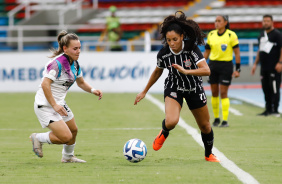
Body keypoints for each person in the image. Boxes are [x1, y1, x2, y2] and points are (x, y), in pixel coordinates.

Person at [134, 11, 220, 162]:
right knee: (172, 121)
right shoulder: (163, 53)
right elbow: (157, 72)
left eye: (175, 39)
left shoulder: (192, 49)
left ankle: (208, 154)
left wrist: (187, 71)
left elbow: (206, 70)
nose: (172, 43)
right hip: (174, 87)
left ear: (182, 37)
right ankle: (164, 131)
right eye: (168, 40)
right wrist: (144, 91)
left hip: (194, 88)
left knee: (205, 126)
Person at [30, 30, 103, 163]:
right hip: (45, 106)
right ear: (65, 48)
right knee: (66, 137)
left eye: (79, 48)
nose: (78, 51)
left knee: (74, 130)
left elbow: (81, 83)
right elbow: (45, 84)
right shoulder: (57, 64)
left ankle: (68, 157)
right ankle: (38, 138)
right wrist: (55, 105)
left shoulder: (74, 64)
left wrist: (93, 90)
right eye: (75, 48)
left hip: (59, 103)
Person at [203, 15, 241, 127]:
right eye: (215, 21)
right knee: (214, 93)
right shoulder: (211, 34)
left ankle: (225, 120)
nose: (216, 23)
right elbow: (207, 53)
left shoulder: (231, 35)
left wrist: (238, 69)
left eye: (219, 21)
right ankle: (216, 118)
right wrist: (201, 64)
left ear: (225, 22)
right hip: (213, 65)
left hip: (226, 66)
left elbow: (237, 53)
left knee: (223, 93)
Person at [251, 14, 282, 117]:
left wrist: (280, 62)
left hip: (274, 67)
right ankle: (267, 109)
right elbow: (260, 50)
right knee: (265, 89)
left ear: (272, 22)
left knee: (274, 88)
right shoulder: (261, 35)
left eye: (268, 21)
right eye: (264, 21)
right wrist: (255, 64)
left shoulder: (277, 34)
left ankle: (275, 110)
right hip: (264, 68)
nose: (266, 23)